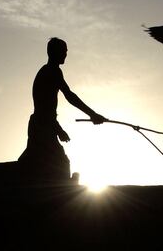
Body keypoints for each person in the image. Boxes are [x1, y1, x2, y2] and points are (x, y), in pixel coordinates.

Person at [18, 37, 106, 182]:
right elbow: (68, 97)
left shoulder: (51, 71)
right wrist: (92, 114)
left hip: (43, 125)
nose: (66, 54)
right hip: (42, 126)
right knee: (58, 165)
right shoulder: (51, 72)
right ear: (53, 52)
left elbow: (48, 108)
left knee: (40, 163)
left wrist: (57, 129)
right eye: (63, 51)